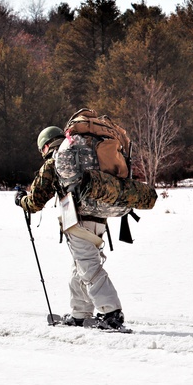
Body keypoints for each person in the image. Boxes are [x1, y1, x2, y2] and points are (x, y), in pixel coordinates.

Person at [16, 125, 126, 330]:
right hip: (100, 220)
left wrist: (22, 200)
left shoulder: (54, 160)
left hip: (77, 221)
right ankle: (80, 313)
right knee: (80, 266)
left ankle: (111, 313)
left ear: (46, 145)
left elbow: (35, 201)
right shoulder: (84, 154)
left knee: (88, 266)